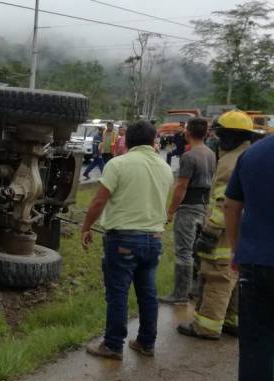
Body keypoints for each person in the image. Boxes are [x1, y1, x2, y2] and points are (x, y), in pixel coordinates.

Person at [81, 121, 173, 360]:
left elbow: (99, 201)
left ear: (127, 140)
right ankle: (146, 342)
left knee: (118, 293)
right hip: (154, 239)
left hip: (122, 239)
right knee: (148, 293)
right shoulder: (164, 167)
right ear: (154, 140)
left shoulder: (118, 164)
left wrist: (86, 227)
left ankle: (113, 345)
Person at [176, 110, 256, 340]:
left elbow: (224, 204)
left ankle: (207, 327)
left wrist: (209, 232)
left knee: (217, 278)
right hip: (243, 233)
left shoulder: (229, 164)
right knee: (232, 278)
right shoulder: (248, 156)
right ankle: (232, 321)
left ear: (230, 137)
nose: (218, 141)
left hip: (224, 235)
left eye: (221, 136)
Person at [224, 131, 274, 381]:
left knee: (257, 347)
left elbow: (231, 205)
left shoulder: (254, 154)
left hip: (256, 263)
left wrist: (236, 249)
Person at [160, 118, 217, 304]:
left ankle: (180, 294)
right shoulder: (210, 154)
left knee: (183, 252)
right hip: (203, 207)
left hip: (188, 208)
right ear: (206, 133)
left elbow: (181, 187)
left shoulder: (189, 156)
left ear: (188, 133)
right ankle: (195, 289)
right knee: (198, 252)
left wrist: (170, 211)